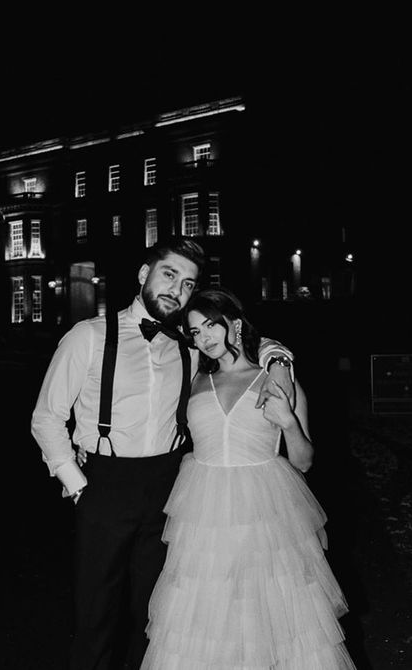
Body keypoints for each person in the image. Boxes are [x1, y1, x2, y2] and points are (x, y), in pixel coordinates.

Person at [30, 238, 295, 669]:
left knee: (158, 616)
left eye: (188, 283)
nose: (177, 289)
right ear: (143, 275)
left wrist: (279, 357)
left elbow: (244, 342)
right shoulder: (89, 337)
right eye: (169, 274)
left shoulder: (190, 344)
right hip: (104, 485)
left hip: (170, 487)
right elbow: (46, 418)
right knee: (96, 615)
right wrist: (78, 485)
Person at [141, 288, 357, 669]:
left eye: (211, 325)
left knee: (270, 615)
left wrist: (288, 422)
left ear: (234, 324)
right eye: (195, 331)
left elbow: (304, 461)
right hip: (204, 516)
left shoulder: (274, 380)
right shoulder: (193, 379)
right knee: (205, 617)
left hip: (263, 512)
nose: (204, 338)